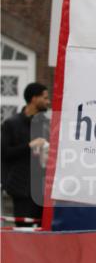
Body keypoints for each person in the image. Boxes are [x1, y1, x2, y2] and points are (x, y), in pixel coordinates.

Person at [0, 82, 50, 225]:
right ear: (34, 99)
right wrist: (30, 145)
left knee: (43, 232)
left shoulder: (45, 124)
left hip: (42, 189)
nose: (48, 101)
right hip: (21, 189)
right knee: (24, 232)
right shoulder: (12, 124)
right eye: (45, 98)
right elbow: (5, 153)